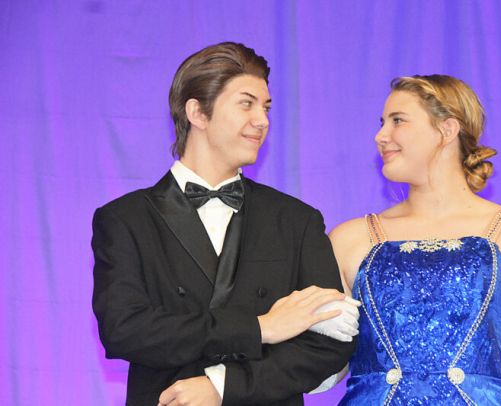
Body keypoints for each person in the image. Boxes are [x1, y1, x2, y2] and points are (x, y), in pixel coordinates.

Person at [91, 42, 359, 406]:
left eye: (266, 107)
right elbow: (125, 329)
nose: (262, 120)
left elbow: (329, 344)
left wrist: (223, 386)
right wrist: (259, 328)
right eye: (246, 104)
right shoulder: (125, 219)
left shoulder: (296, 219)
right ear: (198, 113)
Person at [330, 75, 501, 405]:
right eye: (382, 123)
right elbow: (322, 372)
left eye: (398, 120)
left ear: (447, 130)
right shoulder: (349, 240)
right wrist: (318, 330)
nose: (381, 136)